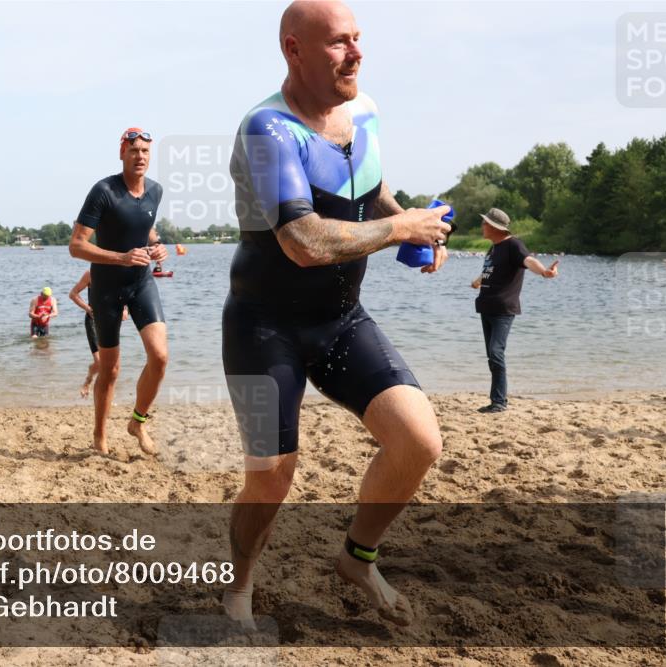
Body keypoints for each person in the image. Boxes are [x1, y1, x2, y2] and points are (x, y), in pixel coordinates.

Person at [221, 1, 456, 629]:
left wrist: (412, 229)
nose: (355, 53)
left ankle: (357, 557)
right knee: (272, 478)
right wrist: (399, 226)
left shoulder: (366, 111)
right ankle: (239, 586)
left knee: (418, 441)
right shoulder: (267, 129)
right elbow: (304, 242)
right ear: (294, 50)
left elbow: (373, 190)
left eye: (358, 40)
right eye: (337, 43)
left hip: (340, 320)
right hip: (263, 326)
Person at [69, 127, 170, 456]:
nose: (139, 156)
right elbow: (76, 245)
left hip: (142, 283)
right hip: (107, 288)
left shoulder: (155, 191)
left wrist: (156, 246)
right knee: (110, 370)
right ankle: (100, 436)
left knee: (160, 356)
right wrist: (121, 257)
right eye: (133, 150)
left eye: (145, 151)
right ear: (122, 153)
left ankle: (138, 421)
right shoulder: (104, 191)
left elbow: (145, 227)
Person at [470, 208, 559, 413]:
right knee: (492, 356)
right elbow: (490, 271)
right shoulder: (494, 248)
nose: (482, 226)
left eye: (485, 223)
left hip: (503, 309)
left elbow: (529, 261)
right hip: (486, 307)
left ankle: (500, 402)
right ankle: (496, 400)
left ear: (494, 227)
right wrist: (477, 282)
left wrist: (544, 272)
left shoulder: (513, 245)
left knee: (496, 352)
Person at [69, 270, 131, 398]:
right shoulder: (90, 274)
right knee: (100, 362)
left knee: (110, 364)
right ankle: (88, 381)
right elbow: (73, 294)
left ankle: (107, 392)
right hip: (93, 320)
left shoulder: (117, 273)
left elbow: (125, 294)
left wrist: (125, 309)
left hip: (111, 320)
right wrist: (87, 308)